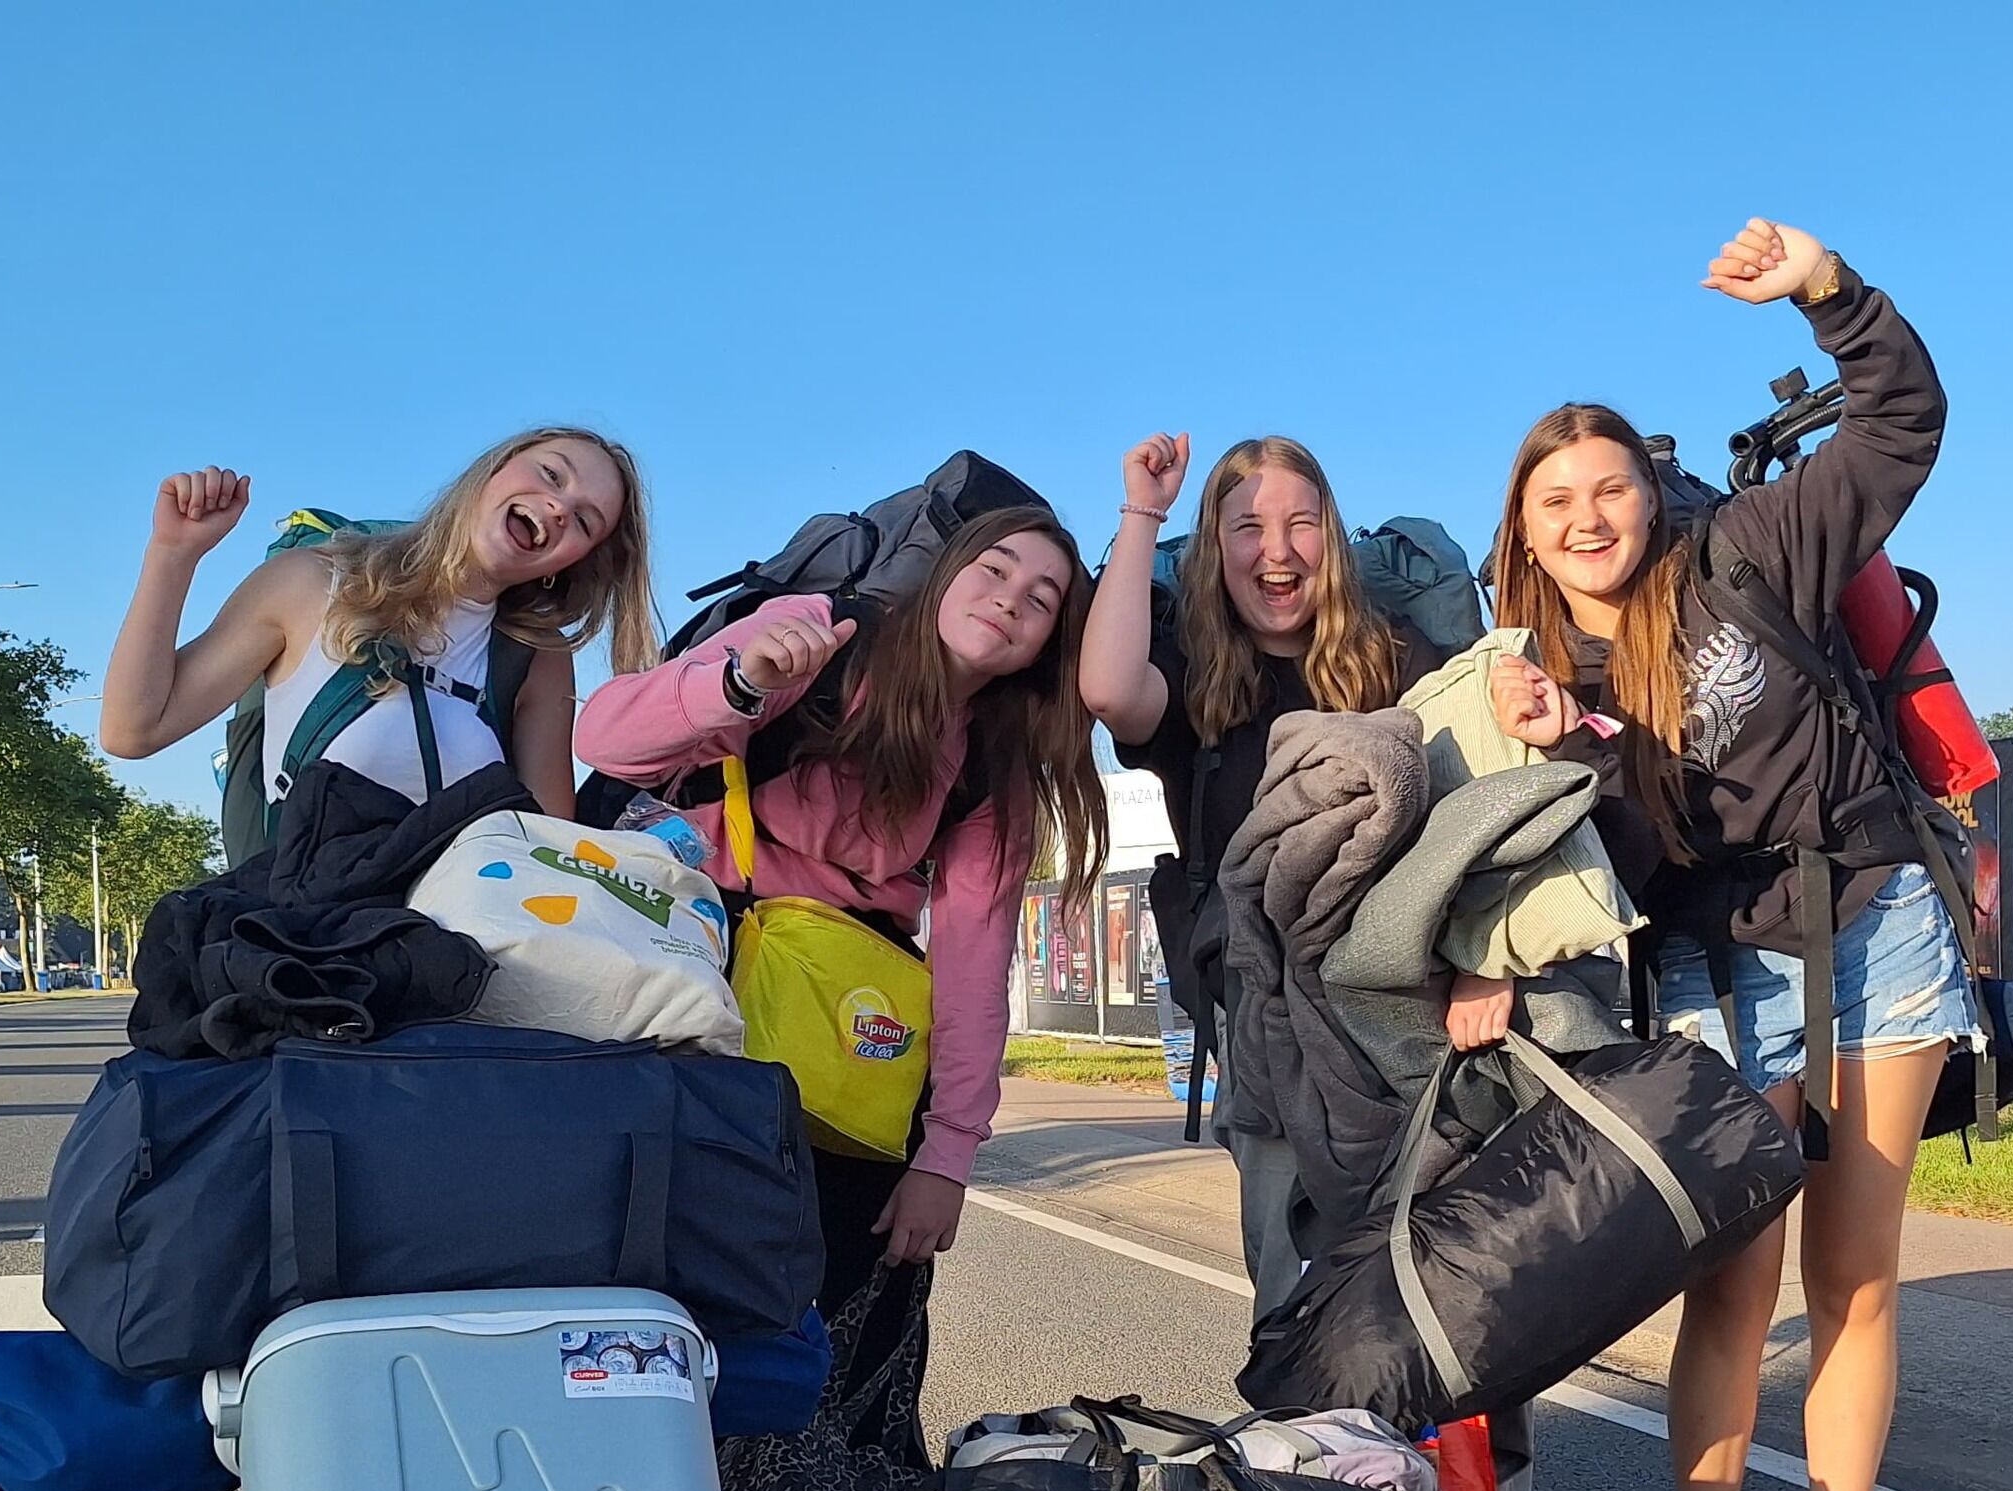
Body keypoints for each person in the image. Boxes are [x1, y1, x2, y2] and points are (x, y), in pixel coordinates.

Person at [1483, 217, 1956, 1491]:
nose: (1588, 516)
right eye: (1557, 498)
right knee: (1732, 1280)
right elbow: (1606, 876)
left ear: (1650, 494)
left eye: (1609, 486)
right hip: (1710, 966)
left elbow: (1899, 425)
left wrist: (1828, 290)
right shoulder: (1525, 676)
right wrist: (1565, 759)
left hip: (1874, 921)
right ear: (1523, 527)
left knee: (1856, 1273)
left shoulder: (1751, 552)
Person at [576, 503, 1108, 1434]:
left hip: (844, 1012)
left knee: (849, 1287)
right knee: (639, 1259)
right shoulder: (822, 634)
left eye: (1041, 598)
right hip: (687, 964)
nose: (1010, 598)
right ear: (945, 574)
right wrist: (742, 681)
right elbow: (606, 738)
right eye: (994, 569)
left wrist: (946, 1157)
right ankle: (621, 1465)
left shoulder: (996, 767)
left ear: (1047, 645)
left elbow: (973, 963)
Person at [1078, 433, 1444, 1309]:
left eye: (1300, 523)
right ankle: (1301, 1400)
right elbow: (1109, 690)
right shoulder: (1196, 677)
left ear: (1334, 538)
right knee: (1290, 1281)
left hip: (1408, 1005)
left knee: (1437, 1272)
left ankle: (1436, 1410)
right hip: (1266, 1019)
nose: (1276, 550)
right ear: (1214, 549)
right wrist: (1143, 511)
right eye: (1246, 527)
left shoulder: (1397, 657)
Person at [99, 429, 660, 820]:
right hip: (309, 943)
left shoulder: (538, 658)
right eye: (551, 474)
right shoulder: (310, 582)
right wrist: (172, 554)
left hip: (462, 950)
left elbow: (547, 843)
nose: (559, 507)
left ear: (568, 563)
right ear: (494, 470)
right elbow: (133, 731)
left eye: (584, 521)